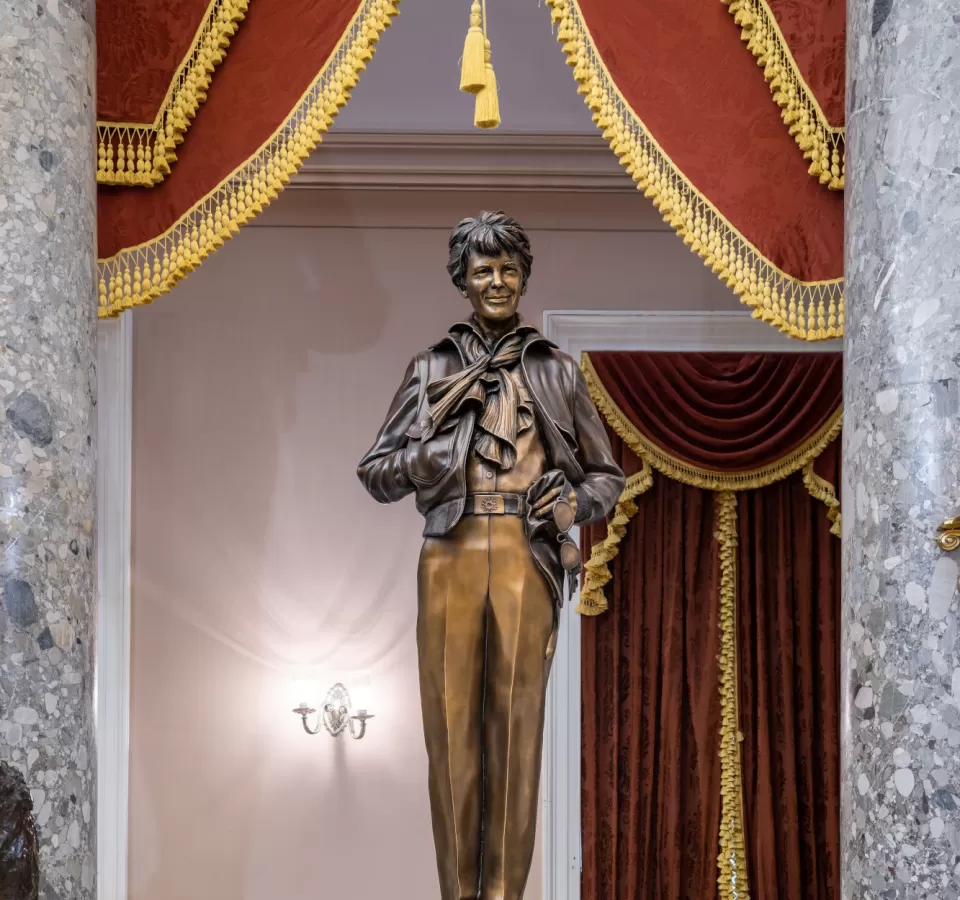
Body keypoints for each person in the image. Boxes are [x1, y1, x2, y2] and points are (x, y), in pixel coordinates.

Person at [357, 211, 624, 900]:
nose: (497, 281)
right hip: (447, 552)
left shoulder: (556, 372)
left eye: (508, 269)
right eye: (483, 271)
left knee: (517, 740)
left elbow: (606, 476)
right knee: (450, 744)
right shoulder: (431, 369)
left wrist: (570, 506)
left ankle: (506, 894)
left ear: (523, 276)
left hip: (522, 554)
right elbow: (377, 472)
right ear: (463, 281)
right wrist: (437, 452)